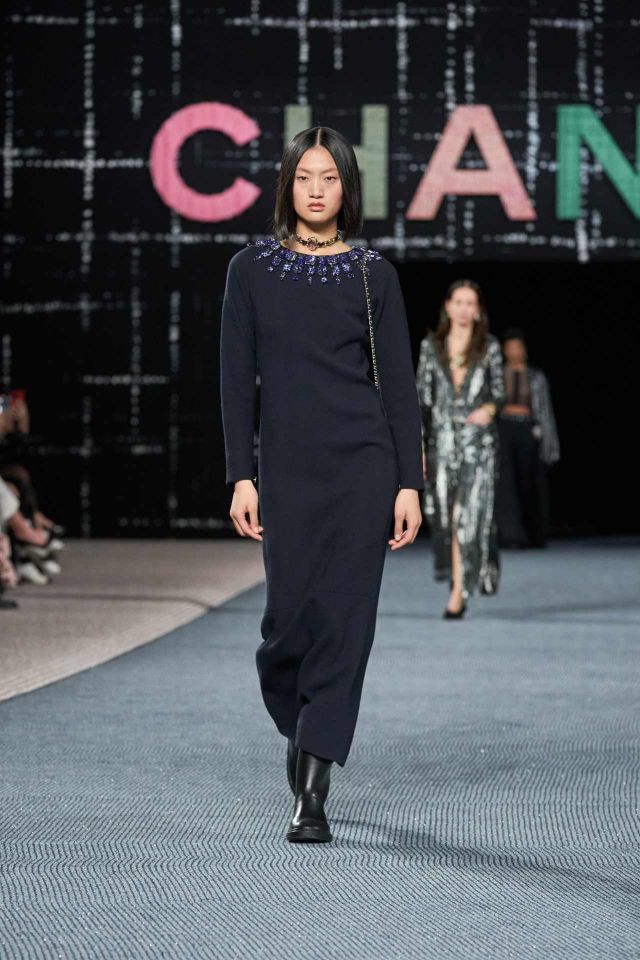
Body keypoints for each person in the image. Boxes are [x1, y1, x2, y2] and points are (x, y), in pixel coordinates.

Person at [219, 126, 424, 843]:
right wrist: (240, 475)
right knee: (287, 625)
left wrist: (409, 483)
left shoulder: (374, 274)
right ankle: (305, 725)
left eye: (329, 178)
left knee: (346, 623)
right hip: (286, 470)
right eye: (304, 176)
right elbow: (234, 381)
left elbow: (399, 388)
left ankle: (312, 793)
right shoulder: (250, 269)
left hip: (363, 465)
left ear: (346, 187)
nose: (315, 189)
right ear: (287, 184)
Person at [415, 280, 506, 619]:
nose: (465, 309)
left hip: (478, 445)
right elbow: (421, 400)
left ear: (478, 310)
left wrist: (489, 410)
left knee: (467, 517)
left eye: (471, 303)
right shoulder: (431, 346)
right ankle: (460, 576)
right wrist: (418, 447)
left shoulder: (489, 347)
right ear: (448, 306)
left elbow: (499, 392)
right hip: (441, 444)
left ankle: (459, 593)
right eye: (459, 302)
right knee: (443, 518)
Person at [496, 327, 560, 548]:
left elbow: (545, 410)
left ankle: (534, 534)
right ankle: (510, 536)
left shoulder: (535, 377)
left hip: (527, 429)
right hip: (503, 428)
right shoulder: (497, 374)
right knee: (505, 483)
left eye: (517, 347)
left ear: (524, 350)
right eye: (510, 348)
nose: (514, 352)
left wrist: (548, 440)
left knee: (529, 480)